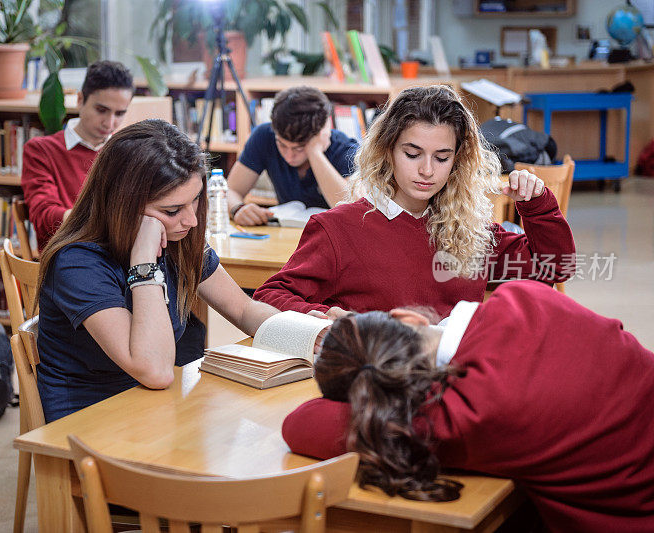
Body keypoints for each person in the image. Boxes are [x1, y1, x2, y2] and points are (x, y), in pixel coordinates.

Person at [282, 280, 654, 532]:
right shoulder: (524, 295)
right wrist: (354, 334)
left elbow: (299, 424)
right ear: (408, 319)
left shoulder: (465, 414)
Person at [254, 85, 575, 319]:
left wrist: (538, 205)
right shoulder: (338, 228)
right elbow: (271, 296)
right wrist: (331, 321)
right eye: (412, 154)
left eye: (442, 157)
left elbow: (556, 266)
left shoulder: (469, 231)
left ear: (457, 161)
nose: (426, 170)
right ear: (387, 150)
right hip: (379, 386)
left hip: (454, 383)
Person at [34, 119, 281, 422]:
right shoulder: (77, 263)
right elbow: (156, 370)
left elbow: (243, 309)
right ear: (121, 205)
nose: (191, 221)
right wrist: (143, 264)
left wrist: (307, 332)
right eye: (172, 210)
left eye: (195, 201)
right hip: (93, 421)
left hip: (156, 407)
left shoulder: (177, 238)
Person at [22, 60, 134, 251]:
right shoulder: (41, 150)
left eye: (120, 113)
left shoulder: (128, 151)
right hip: (68, 259)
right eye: (102, 110)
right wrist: (106, 222)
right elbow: (44, 217)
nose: (110, 123)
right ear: (80, 99)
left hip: (120, 259)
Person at [226, 86, 359, 226]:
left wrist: (315, 152)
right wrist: (238, 209)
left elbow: (350, 210)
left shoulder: (346, 150)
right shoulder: (264, 136)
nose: (289, 156)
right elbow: (231, 190)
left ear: (321, 133)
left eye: (299, 148)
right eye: (282, 145)